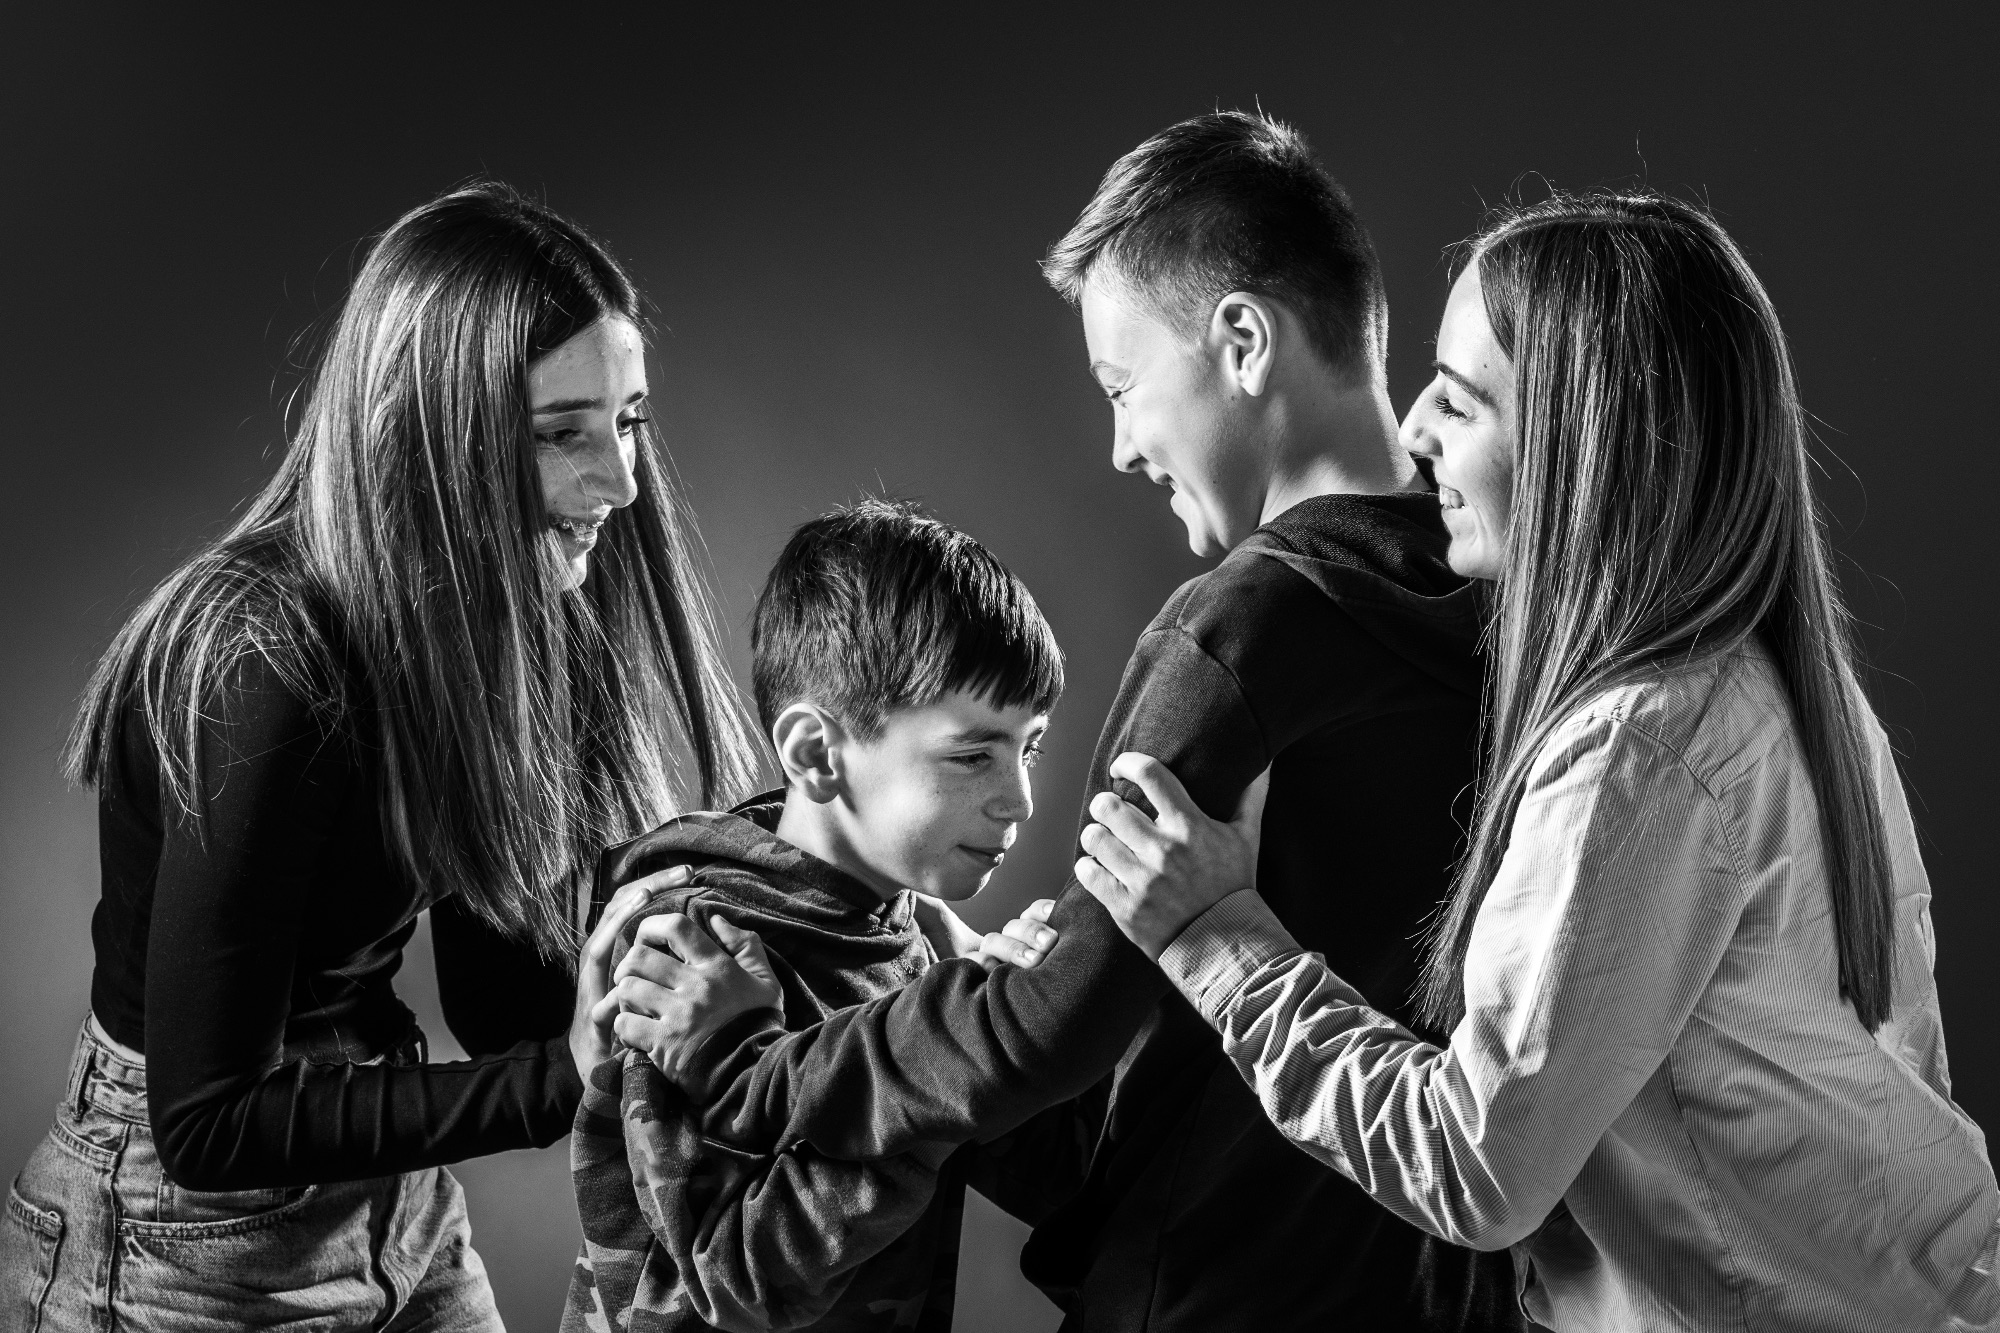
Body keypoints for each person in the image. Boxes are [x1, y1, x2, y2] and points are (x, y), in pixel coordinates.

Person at [609, 111, 1524, 1330]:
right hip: (1426, 1291)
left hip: (1203, 1291)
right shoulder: (1499, 604)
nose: (1117, 444)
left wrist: (751, 1063)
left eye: (1122, 385)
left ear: (1241, 340)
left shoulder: (1239, 631)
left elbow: (1049, 1029)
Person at [1070, 191, 2000, 1332]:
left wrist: (1216, 940)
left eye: (1458, 403)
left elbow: (1475, 1162)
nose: (1413, 430)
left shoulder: (1636, 747)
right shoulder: (1774, 678)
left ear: (1579, 440)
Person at [0, 182, 761, 1331]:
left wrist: (688, 977)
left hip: (389, 1199)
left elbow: (502, 999)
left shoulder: (509, 612)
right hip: (182, 1238)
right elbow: (207, 1123)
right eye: (561, 432)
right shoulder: (259, 660)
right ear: (432, 438)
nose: (620, 482)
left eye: (629, 420)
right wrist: (564, 1072)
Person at [564, 500, 1070, 1332]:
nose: (1018, 797)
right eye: (972, 754)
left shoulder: (927, 933)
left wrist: (1032, 1026)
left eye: (1031, 748)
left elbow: (1056, 1177)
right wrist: (947, 1067)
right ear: (814, 751)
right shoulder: (689, 949)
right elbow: (730, 1280)